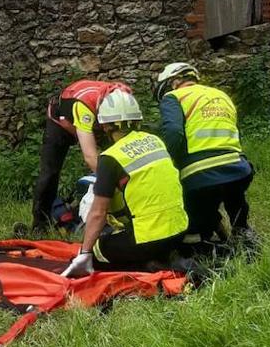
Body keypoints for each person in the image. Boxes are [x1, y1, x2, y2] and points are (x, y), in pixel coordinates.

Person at [61, 90, 190, 277]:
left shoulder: (111, 157)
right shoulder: (155, 141)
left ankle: (150, 266)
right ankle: (162, 257)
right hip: (179, 231)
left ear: (105, 126)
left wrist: (85, 252)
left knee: (98, 252)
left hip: (148, 239)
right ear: (137, 120)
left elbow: (98, 213)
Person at [154, 62, 257, 254]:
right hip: (238, 169)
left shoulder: (174, 97)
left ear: (175, 82)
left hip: (200, 175)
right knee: (235, 200)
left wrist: (171, 164)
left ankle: (202, 250)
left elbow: (174, 133)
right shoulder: (221, 95)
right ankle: (243, 234)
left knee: (194, 226)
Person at [31, 79, 132, 232]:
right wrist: (115, 181)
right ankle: (40, 223)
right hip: (61, 123)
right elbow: (90, 157)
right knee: (50, 172)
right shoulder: (83, 106)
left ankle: (120, 210)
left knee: (114, 156)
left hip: (96, 118)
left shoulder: (123, 98)